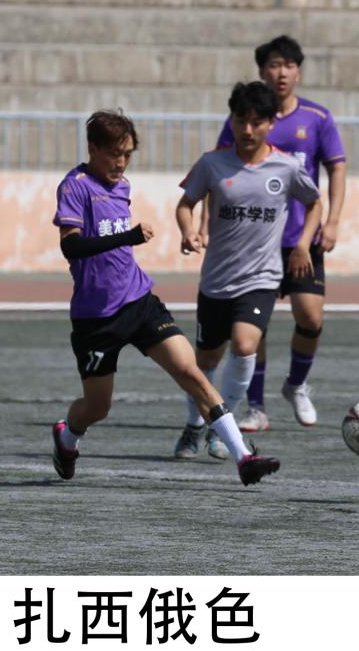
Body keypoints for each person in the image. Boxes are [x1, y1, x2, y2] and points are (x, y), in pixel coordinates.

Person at [51, 109, 280, 487]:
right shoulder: (75, 187)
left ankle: (244, 457)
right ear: (93, 148)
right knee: (97, 407)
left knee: (191, 372)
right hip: (97, 319)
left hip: (139, 301)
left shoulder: (122, 185)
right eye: (114, 154)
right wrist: (128, 237)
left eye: (127, 154)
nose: (121, 163)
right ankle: (67, 436)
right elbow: (71, 247)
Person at [173, 81, 323, 460]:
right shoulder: (212, 163)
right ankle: (194, 425)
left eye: (257, 122)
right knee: (205, 362)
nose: (248, 129)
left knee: (244, 346)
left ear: (271, 124)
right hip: (216, 280)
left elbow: (314, 202)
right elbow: (185, 203)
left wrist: (303, 244)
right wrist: (189, 231)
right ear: (233, 121)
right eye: (241, 121)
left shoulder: (286, 167)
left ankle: (222, 428)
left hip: (261, 279)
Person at [206, 35, 346, 433]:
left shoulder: (317, 118)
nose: (280, 73)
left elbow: (336, 167)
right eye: (273, 65)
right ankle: (255, 407)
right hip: (252, 240)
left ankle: (296, 385)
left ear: (298, 72)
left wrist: (333, 220)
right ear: (261, 71)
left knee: (310, 316)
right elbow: (219, 169)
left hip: (301, 239)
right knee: (254, 329)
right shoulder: (245, 119)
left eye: (288, 65)